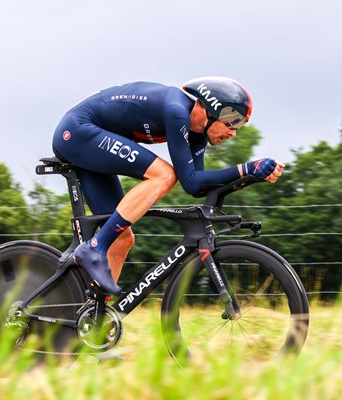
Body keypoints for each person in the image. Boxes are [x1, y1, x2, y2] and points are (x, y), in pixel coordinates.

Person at [52, 77, 284, 294]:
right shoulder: (176, 111)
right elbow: (187, 179)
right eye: (232, 122)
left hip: (93, 139)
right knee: (164, 175)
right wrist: (246, 168)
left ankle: (94, 318)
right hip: (77, 131)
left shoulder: (197, 133)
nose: (233, 133)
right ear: (210, 109)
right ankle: (94, 247)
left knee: (122, 239)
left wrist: (252, 175)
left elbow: (195, 185)